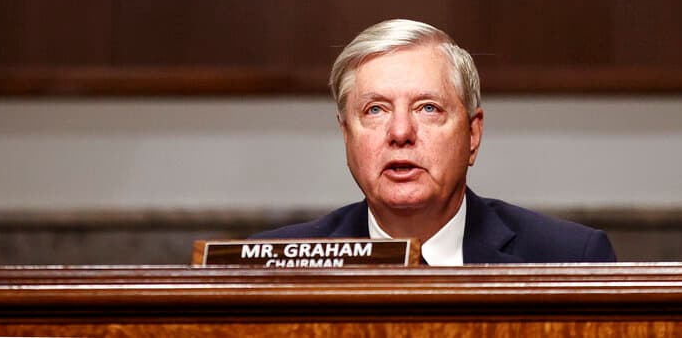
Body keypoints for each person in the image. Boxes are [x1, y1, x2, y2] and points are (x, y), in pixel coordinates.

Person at [252, 19, 616, 264]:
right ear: (346, 134)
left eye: (428, 108)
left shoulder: (568, 257)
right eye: (376, 110)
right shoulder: (272, 263)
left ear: (473, 135)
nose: (400, 133)